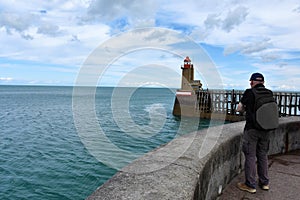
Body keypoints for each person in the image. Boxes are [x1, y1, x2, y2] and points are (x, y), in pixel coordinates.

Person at [236, 72, 271, 194]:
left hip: (252, 129)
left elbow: (239, 108)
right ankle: (265, 182)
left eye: (251, 81)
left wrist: (245, 108)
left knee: (250, 156)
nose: (250, 83)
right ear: (263, 82)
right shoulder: (269, 93)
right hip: (266, 129)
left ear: (252, 82)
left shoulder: (249, 92)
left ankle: (250, 184)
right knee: (262, 155)